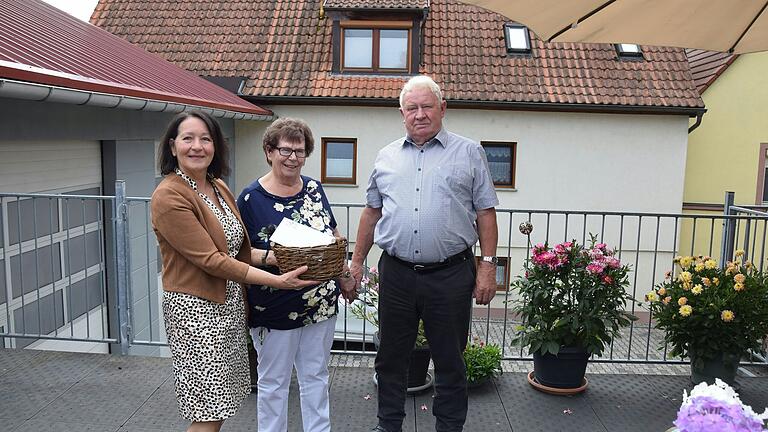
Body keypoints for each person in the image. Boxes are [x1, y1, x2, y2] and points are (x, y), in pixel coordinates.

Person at [350, 75, 499, 432]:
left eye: (427, 106)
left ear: (442, 109)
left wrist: (488, 266)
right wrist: (356, 262)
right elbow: (372, 212)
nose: (420, 114)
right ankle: (389, 426)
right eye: (412, 108)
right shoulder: (385, 156)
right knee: (390, 359)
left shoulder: (469, 152)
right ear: (402, 113)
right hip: (397, 274)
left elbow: (485, 213)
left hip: (450, 275)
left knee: (449, 361)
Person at [151, 110, 316, 432]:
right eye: (188, 138)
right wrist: (277, 281)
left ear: (216, 146)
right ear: (172, 147)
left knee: (221, 403)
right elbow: (212, 260)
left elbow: (236, 250)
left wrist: (277, 257)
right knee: (207, 410)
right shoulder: (169, 195)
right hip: (195, 311)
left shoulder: (217, 186)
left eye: (205, 139)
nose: (197, 146)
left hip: (227, 307)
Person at [236, 117, 357, 432]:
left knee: (315, 376)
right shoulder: (250, 198)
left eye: (300, 151)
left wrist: (344, 274)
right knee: (273, 382)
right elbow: (239, 253)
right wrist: (277, 258)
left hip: (319, 301)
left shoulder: (315, 188)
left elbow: (332, 232)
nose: (293, 157)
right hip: (274, 304)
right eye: (285, 150)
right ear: (269, 151)